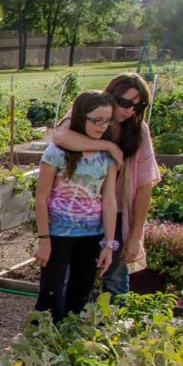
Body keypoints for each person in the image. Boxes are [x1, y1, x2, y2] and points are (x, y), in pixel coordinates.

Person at [51, 73, 159, 296]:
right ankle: (58, 327)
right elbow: (60, 137)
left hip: (117, 212)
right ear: (112, 94)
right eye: (126, 102)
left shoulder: (139, 131)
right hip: (81, 211)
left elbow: (144, 185)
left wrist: (136, 235)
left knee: (116, 278)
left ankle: (113, 329)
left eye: (138, 107)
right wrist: (108, 147)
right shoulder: (87, 113)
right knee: (70, 275)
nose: (130, 110)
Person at [34, 92, 118, 321]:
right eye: (96, 120)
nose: (102, 126)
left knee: (81, 293)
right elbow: (41, 198)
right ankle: (41, 344)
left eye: (107, 121)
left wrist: (109, 244)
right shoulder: (56, 153)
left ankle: (68, 345)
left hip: (92, 234)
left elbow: (109, 201)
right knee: (51, 293)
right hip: (58, 233)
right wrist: (44, 240)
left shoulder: (107, 157)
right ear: (81, 117)